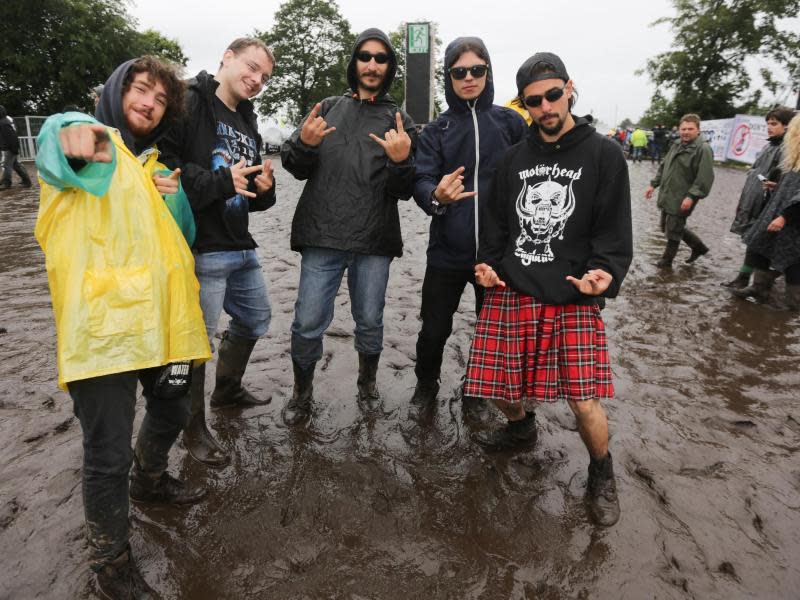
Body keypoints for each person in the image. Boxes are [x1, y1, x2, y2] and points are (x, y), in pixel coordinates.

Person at [34, 56, 211, 598]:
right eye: (140, 90)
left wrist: (173, 195)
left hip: (166, 324)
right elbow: (57, 143)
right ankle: (110, 563)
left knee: (173, 408)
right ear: (115, 92)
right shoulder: (95, 146)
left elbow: (183, 236)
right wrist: (71, 132)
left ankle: (150, 479)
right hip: (105, 330)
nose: (149, 104)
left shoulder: (152, 165)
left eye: (160, 100)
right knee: (106, 452)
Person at [464, 52, 632, 527]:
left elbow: (614, 234)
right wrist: (487, 265)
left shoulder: (604, 154)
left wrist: (605, 271)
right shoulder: (513, 159)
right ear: (525, 104)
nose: (545, 107)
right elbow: (495, 227)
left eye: (553, 95)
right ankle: (521, 429)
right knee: (492, 383)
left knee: (584, 399)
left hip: (573, 293)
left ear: (569, 88)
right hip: (514, 289)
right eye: (533, 101)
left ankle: (602, 472)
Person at [280, 28, 417, 425]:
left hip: (374, 239)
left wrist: (401, 161)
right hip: (321, 235)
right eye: (365, 57)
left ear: (390, 67)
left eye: (381, 58)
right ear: (354, 62)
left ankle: (367, 385)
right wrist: (304, 143)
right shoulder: (324, 108)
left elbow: (404, 190)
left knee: (371, 321)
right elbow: (294, 167)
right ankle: (301, 393)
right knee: (307, 322)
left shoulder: (399, 119)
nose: (372, 64)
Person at [160, 38, 277, 467]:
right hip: (200, 247)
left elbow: (250, 188)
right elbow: (164, 169)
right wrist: (222, 182)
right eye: (250, 68)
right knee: (196, 343)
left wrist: (265, 190)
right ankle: (192, 427)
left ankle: (227, 389)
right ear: (226, 57)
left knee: (255, 318)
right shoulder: (188, 100)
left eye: (264, 77)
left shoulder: (248, 118)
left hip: (240, 243)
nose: (256, 80)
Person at [410, 37, 526, 423]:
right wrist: (436, 195)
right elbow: (420, 179)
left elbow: (534, 172)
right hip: (446, 251)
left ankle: (476, 388)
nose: (469, 78)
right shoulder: (436, 130)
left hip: (496, 256)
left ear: (488, 72)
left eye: (477, 70)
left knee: (490, 332)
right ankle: (426, 385)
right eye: (460, 72)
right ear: (449, 77)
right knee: (434, 329)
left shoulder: (510, 122)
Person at [723, 106, 795, 289]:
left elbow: (787, 184)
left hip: (772, 207)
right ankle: (746, 279)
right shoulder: (768, 146)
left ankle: (763, 284)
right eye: (768, 123)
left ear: (788, 126)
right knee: (753, 243)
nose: (769, 127)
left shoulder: (788, 151)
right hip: (756, 203)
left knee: (765, 246)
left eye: (774, 124)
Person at [734, 113, 800, 310]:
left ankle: (793, 305)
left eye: (793, 130)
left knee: (793, 259)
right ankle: (759, 287)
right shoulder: (794, 158)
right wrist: (777, 186)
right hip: (779, 211)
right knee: (758, 244)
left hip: (793, 218)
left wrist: (785, 217)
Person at [645, 114, 714, 267]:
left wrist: (691, 196)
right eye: (683, 128)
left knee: (674, 229)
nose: (686, 132)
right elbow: (664, 165)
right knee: (666, 227)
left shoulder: (703, 149)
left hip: (683, 196)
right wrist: (653, 184)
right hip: (668, 193)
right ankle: (698, 247)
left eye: (690, 129)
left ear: (698, 130)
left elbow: (704, 177)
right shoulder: (676, 144)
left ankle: (667, 260)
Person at [0, 105, 33, 189]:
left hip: (9, 148)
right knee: (16, 165)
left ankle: (6, 183)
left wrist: (14, 149)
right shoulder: (5, 121)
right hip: (10, 148)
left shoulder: (3, 123)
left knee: (6, 165)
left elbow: (11, 137)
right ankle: (26, 181)